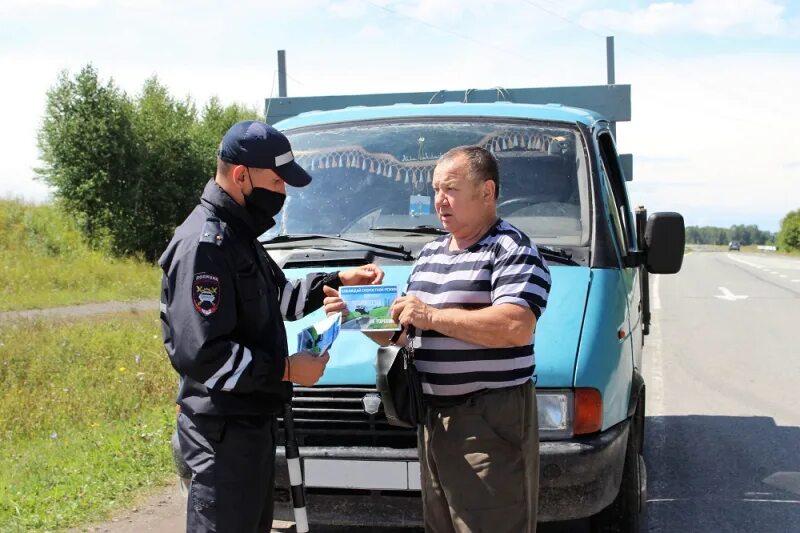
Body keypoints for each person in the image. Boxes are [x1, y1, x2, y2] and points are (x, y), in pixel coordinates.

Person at [159, 120, 384, 532]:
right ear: (241, 175)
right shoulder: (205, 246)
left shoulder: (240, 235)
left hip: (249, 429)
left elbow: (282, 300)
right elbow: (203, 354)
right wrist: (286, 370)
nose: (282, 193)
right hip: (221, 436)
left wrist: (340, 280)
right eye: (277, 181)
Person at [324, 145, 551, 532]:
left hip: (486, 421)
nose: (439, 201)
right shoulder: (429, 255)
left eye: (450, 189)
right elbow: (403, 335)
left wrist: (431, 315)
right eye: (435, 190)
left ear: (486, 192)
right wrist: (356, 313)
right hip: (433, 421)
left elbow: (515, 325)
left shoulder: (511, 249)